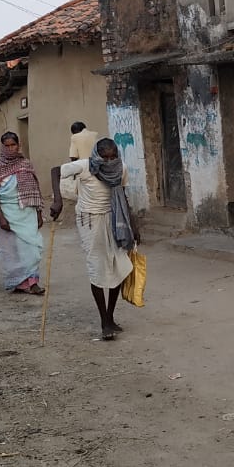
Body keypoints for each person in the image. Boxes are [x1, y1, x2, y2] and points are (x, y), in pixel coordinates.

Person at [50, 137, 139, 341]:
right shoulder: (84, 166)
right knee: (97, 267)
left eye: (112, 156)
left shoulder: (121, 168)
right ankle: (104, 321)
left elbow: (123, 196)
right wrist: (57, 200)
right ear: (97, 155)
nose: (108, 161)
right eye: (105, 157)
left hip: (113, 218)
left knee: (119, 266)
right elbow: (55, 171)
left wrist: (133, 225)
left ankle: (110, 317)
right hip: (89, 220)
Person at [0, 132, 46, 295]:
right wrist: (0, 216)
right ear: (2, 146)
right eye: (6, 146)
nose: (10, 149)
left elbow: (35, 188)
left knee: (32, 248)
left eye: (13, 145)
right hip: (8, 212)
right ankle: (20, 283)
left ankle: (33, 281)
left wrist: (39, 214)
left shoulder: (26, 164)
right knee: (12, 250)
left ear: (18, 145)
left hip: (27, 212)